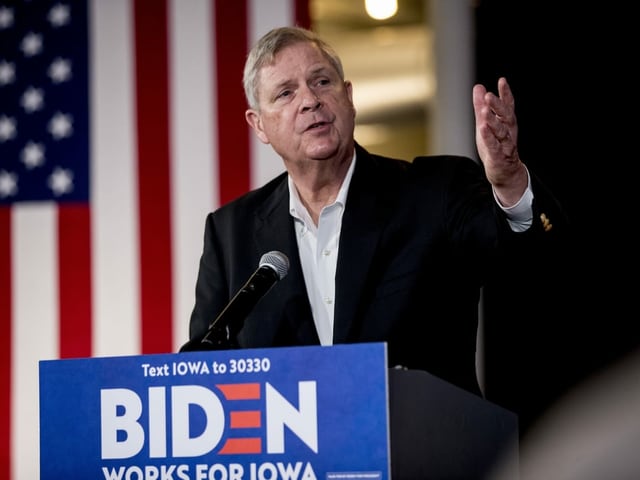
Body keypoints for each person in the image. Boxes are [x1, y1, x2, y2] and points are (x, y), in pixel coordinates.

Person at [181, 25, 567, 397]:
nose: (310, 100)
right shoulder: (230, 231)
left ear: (348, 97)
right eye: (285, 93)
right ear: (259, 125)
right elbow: (202, 374)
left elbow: (537, 262)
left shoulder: (434, 191)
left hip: (429, 453)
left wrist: (510, 181)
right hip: (296, 464)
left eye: (322, 82)